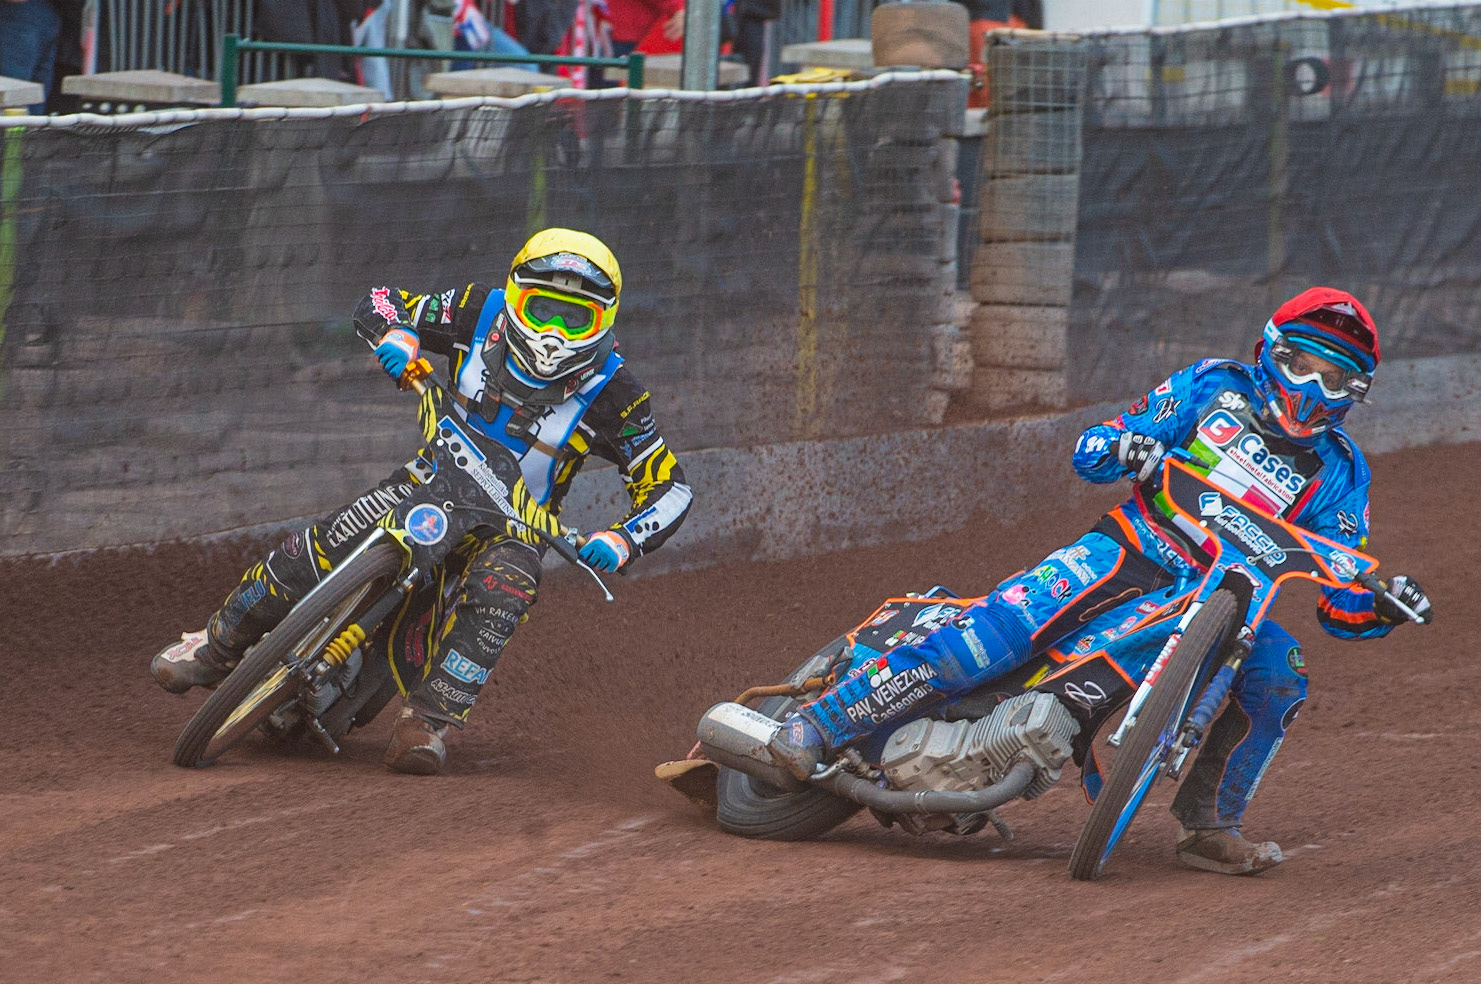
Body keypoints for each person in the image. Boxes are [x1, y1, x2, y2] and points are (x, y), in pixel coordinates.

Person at [767, 287, 1433, 875]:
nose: (1317, 388)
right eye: (1305, 367)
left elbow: (1338, 600)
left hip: (1228, 602)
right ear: (1272, 352)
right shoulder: (1211, 387)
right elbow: (1096, 442)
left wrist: (1384, 605)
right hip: (1129, 550)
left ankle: (1208, 828)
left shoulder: (1341, 472)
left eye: (1338, 379)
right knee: (996, 633)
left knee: (1281, 675)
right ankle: (822, 722)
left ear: (1357, 392)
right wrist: (1126, 448)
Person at [152, 229, 694, 775]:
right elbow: (382, 301)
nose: (555, 331)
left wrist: (622, 539)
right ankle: (214, 646)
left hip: (517, 525)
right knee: (318, 546)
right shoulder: (478, 311)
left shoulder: (617, 393)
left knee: (505, 591)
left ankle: (429, 719)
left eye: (575, 318)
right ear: (515, 296)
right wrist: (397, 335)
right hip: (431, 479)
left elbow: (670, 486)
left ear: (605, 319)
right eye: (544, 309)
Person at [1, 0, 61, 115]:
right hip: (19, 11)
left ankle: (23, 133)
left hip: (45, 11)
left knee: (25, 100)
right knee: (15, 99)